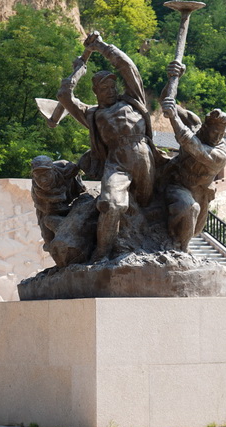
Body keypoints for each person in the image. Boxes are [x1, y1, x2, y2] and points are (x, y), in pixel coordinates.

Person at [55, 31, 172, 260]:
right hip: (117, 162)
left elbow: (128, 68)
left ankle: (156, 248)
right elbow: (64, 95)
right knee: (110, 204)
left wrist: (101, 47)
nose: (111, 91)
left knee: (150, 206)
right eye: (105, 88)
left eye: (112, 87)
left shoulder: (133, 101)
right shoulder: (92, 114)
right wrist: (79, 69)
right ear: (96, 92)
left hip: (145, 156)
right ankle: (102, 254)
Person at [159, 86, 226, 253]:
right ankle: (180, 249)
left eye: (222, 133)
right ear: (206, 127)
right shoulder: (193, 123)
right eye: (215, 132)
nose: (218, 137)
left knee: (195, 224)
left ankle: (182, 246)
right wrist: (173, 81)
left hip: (199, 191)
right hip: (176, 182)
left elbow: (193, 146)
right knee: (190, 208)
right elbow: (166, 100)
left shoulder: (221, 154)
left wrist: (173, 118)